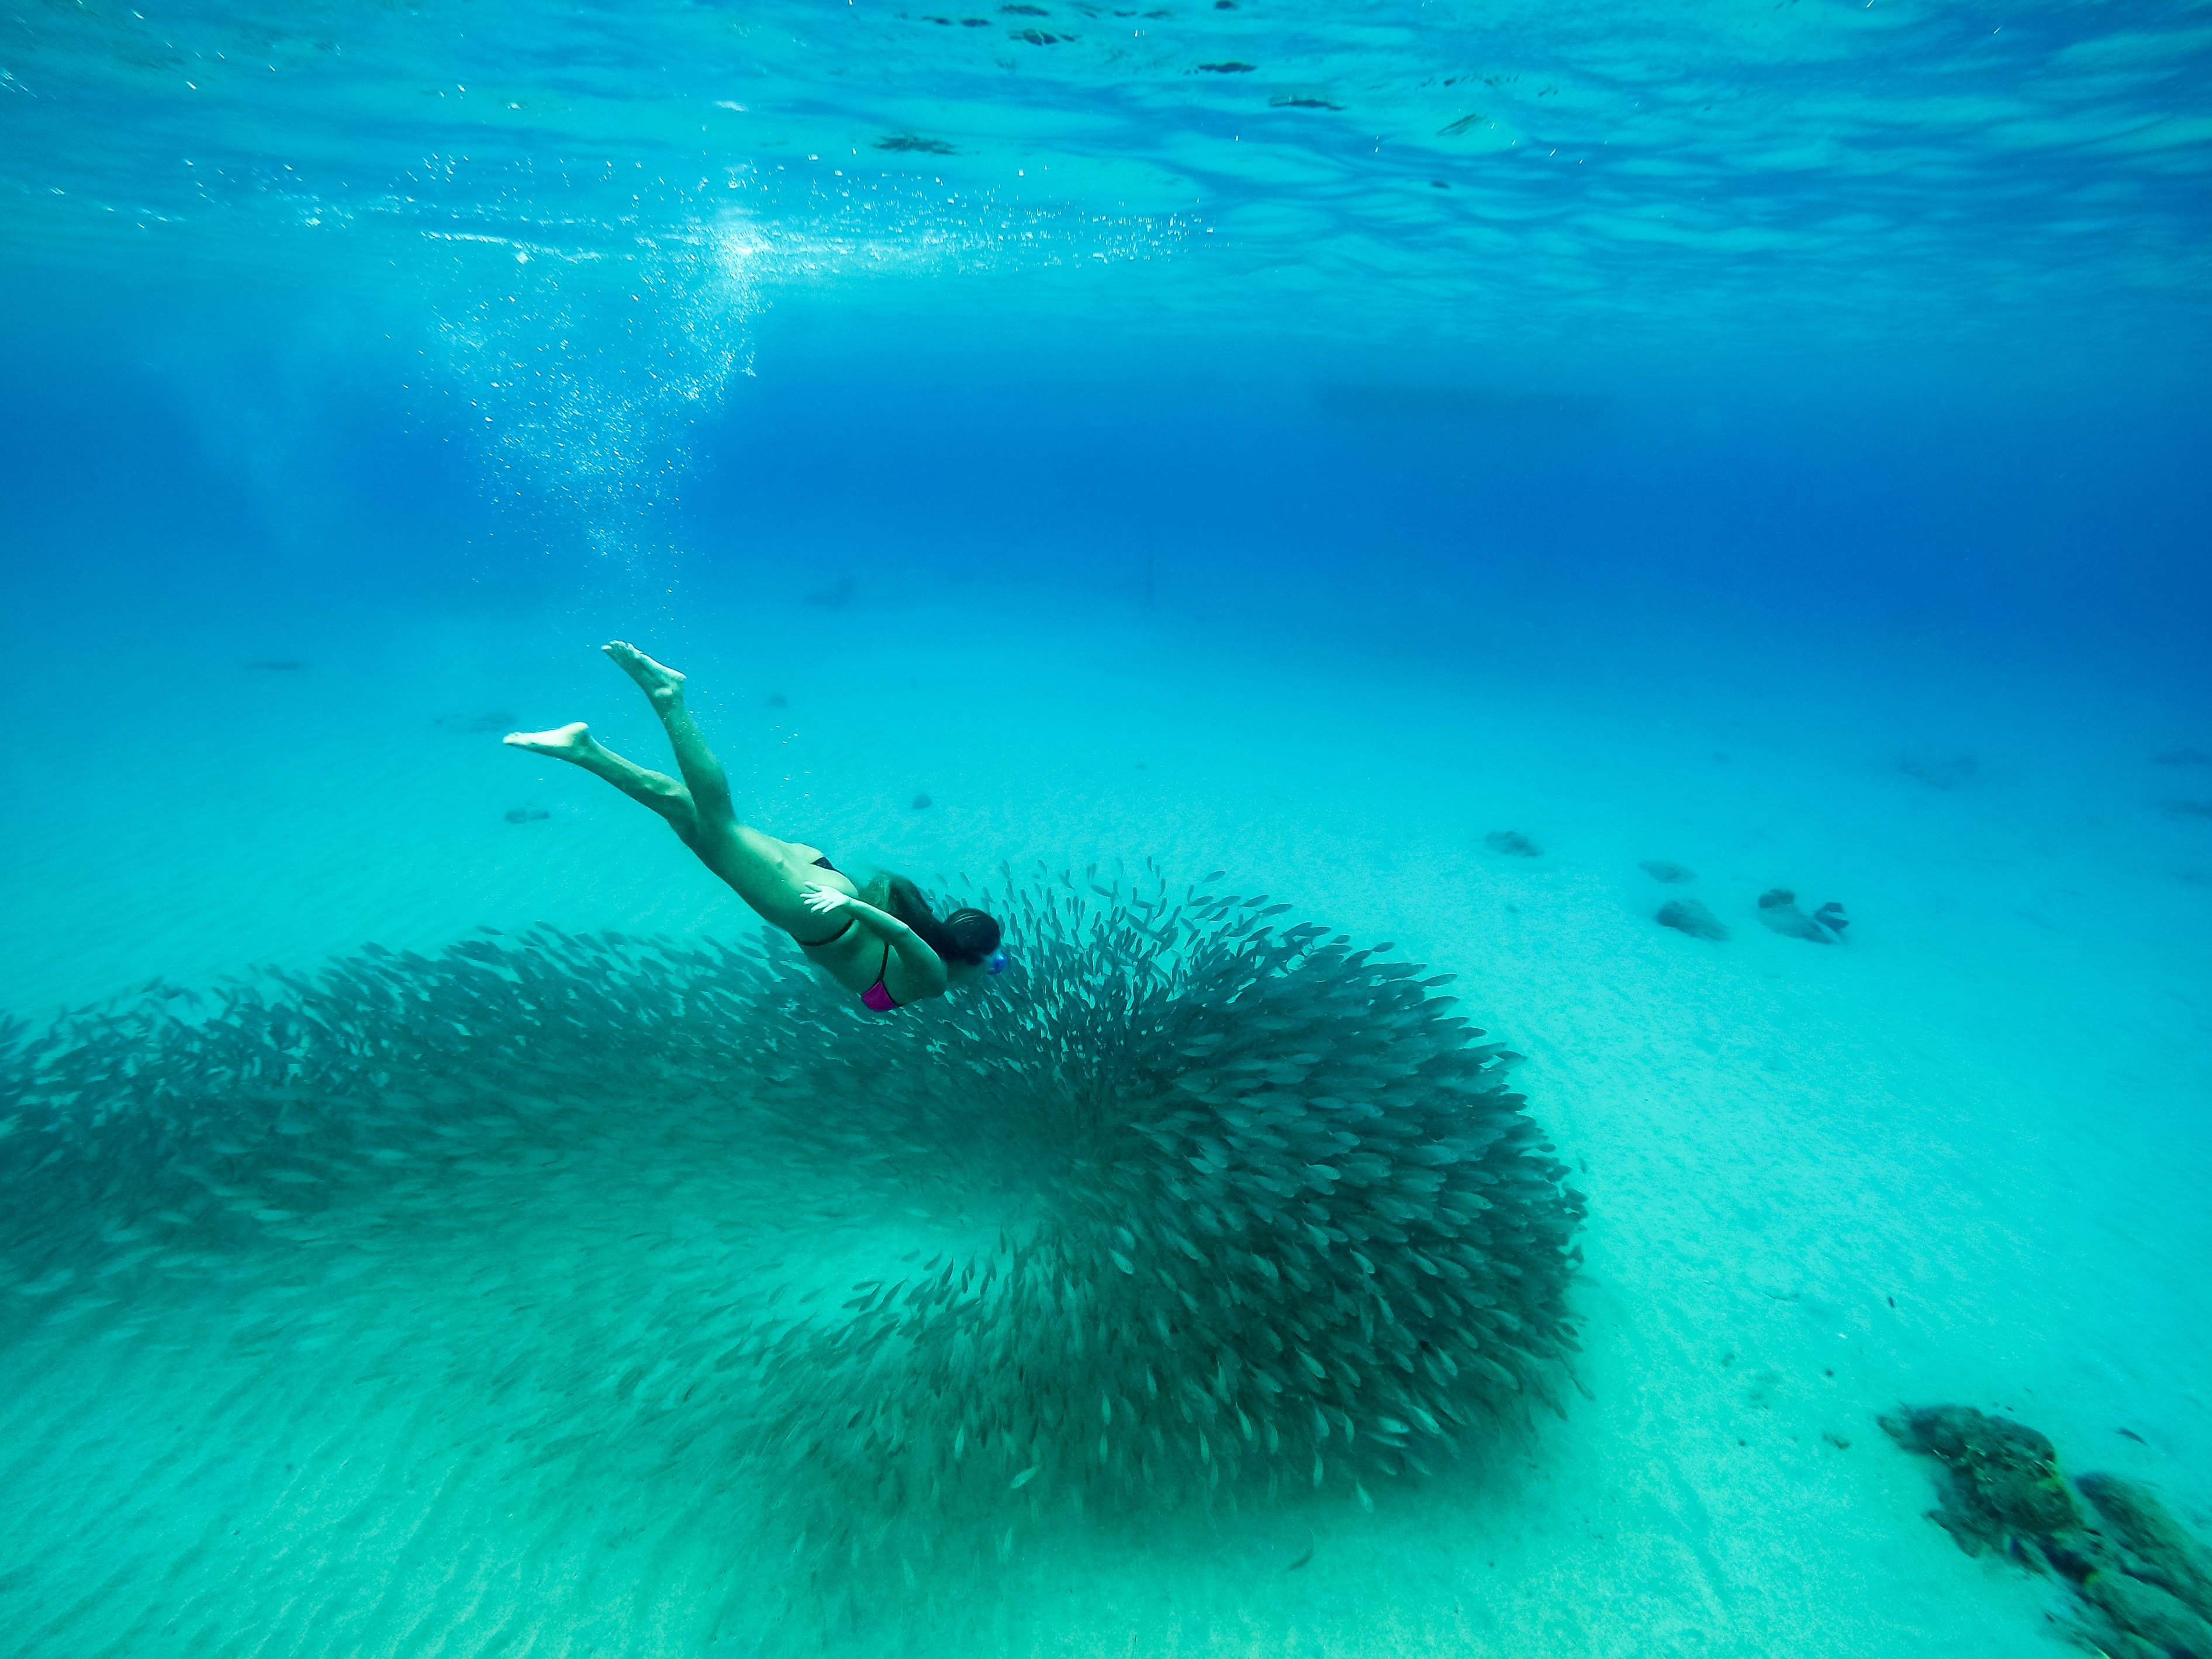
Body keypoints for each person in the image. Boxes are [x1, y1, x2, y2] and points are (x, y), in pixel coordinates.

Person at [503, 641, 1004, 1012]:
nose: (990, 973)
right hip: (818, 912)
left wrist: (847, 901)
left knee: (686, 815)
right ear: (975, 959)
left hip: (822, 888)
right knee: (719, 821)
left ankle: (585, 750)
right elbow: (897, 930)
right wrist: (847, 905)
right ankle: (668, 695)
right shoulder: (934, 977)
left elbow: (899, 930)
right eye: (994, 966)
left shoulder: (937, 954)